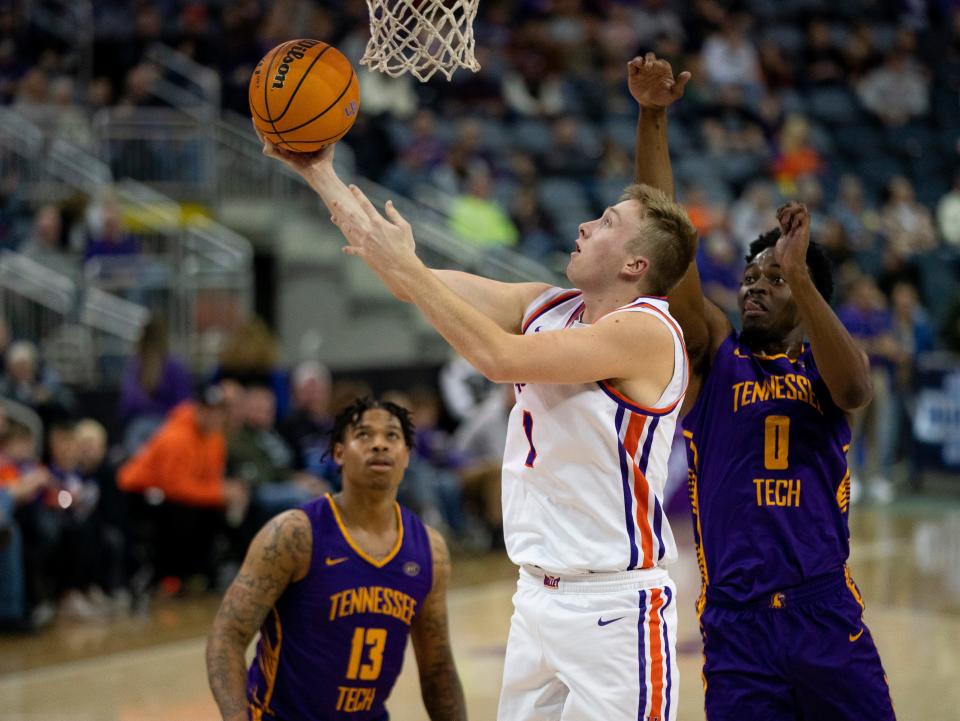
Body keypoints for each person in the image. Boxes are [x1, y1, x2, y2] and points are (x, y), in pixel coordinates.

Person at [258, 65, 699, 718]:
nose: (584, 225)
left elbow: (499, 357)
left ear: (636, 264)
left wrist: (409, 267)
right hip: (537, 598)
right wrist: (317, 168)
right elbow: (407, 278)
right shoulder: (545, 303)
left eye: (605, 222)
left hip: (616, 609)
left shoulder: (646, 333)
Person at [630, 54, 896, 720]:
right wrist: (653, 118)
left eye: (771, 278)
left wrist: (799, 274)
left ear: (807, 300)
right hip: (738, 625)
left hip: (825, 614)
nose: (754, 284)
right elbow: (665, 245)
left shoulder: (825, 369)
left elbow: (858, 388)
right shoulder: (717, 358)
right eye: (751, 276)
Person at [206, 397, 466, 721]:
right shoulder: (294, 535)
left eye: (392, 436)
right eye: (364, 435)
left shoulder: (430, 549)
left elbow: (438, 669)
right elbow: (227, 636)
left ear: (407, 455)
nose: (380, 445)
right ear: (339, 452)